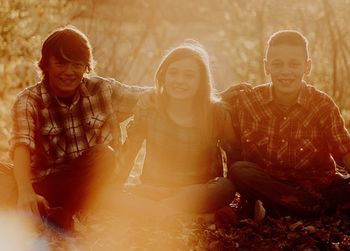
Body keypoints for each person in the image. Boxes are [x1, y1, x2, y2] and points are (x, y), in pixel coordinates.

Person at [0, 25, 149, 232]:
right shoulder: (29, 100)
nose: (69, 72)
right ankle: (39, 208)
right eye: (61, 63)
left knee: (105, 156)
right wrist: (26, 191)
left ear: (86, 67)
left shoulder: (103, 90)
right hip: (45, 184)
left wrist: (204, 101)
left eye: (77, 65)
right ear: (46, 65)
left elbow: (150, 97)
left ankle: (63, 214)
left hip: (91, 180)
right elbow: (21, 144)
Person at [226, 30, 350, 219]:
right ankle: (310, 208)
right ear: (267, 67)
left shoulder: (322, 105)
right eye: (277, 64)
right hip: (268, 184)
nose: (286, 71)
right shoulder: (249, 102)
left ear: (307, 67)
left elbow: (344, 151)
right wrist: (220, 99)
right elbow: (207, 117)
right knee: (239, 171)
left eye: (294, 64)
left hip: (319, 186)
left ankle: (287, 208)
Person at [115, 40, 237, 217]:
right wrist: (114, 184)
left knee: (225, 187)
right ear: (163, 76)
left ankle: (155, 213)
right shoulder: (149, 107)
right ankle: (192, 217)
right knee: (111, 195)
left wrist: (238, 196)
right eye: (173, 73)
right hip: (155, 189)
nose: (180, 81)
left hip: (199, 191)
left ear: (201, 81)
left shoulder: (216, 113)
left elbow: (234, 153)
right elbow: (130, 150)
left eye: (189, 75)